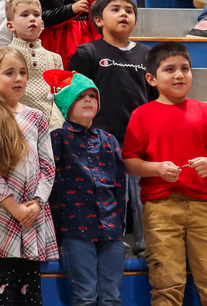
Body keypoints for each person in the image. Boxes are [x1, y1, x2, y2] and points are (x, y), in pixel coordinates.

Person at [124, 42, 207, 306]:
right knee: (167, 285)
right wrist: (156, 168)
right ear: (151, 79)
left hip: (205, 207)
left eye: (185, 69)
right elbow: (130, 162)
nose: (179, 75)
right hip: (160, 208)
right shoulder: (141, 115)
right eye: (170, 69)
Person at [68, 0, 153, 254]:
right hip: (100, 140)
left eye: (129, 10)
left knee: (142, 196)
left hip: (139, 139)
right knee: (109, 195)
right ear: (98, 20)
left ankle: (146, 245)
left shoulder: (147, 55)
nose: (123, 14)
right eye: (115, 9)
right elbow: (74, 97)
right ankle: (114, 244)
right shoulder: (88, 52)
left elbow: (154, 99)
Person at [0, 47, 59, 305]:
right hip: (3, 211)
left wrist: (36, 203)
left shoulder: (37, 116)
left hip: (32, 213)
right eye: (9, 73)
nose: (19, 78)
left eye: (22, 72)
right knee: (4, 292)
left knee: (31, 292)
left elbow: (48, 166)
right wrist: (15, 208)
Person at [47, 71, 126, 306]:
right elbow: (53, 188)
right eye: (81, 96)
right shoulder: (58, 138)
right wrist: (56, 234)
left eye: (93, 96)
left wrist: (119, 225)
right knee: (86, 296)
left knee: (112, 297)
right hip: (75, 230)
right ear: (68, 103)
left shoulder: (108, 140)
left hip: (110, 229)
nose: (89, 100)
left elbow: (120, 187)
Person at [6, 0, 64, 129]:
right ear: (10, 25)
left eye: (36, 15)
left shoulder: (55, 58)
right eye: (24, 15)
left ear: (42, 24)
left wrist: (55, 126)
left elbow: (60, 96)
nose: (32, 18)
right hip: (17, 127)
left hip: (51, 129)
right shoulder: (4, 56)